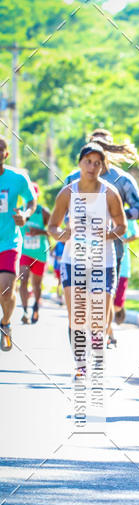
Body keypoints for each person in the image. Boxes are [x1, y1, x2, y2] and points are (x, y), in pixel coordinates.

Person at [48, 143, 126, 378]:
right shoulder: (68, 193)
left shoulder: (109, 193)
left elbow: (122, 225)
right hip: (75, 260)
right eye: (88, 162)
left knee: (100, 314)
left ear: (102, 166)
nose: (92, 166)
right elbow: (52, 225)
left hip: (104, 261)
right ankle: (81, 364)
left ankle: (98, 341)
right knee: (77, 315)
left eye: (97, 163)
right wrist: (63, 235)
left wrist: (108, 234)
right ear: (79, 163)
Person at [64, 128, 139, 341]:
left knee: (103, 297)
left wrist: (113, 215)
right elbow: (63, 214)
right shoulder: (72, 178)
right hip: (79, 250)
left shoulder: (122, 179)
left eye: (104, 146)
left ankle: (103, 333)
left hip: (112, 249)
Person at [0, 135, 36, 351]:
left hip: (9, 242)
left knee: (6, 289)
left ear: (5, 154)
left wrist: (26, 214)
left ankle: (5, 323)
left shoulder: (17, 178)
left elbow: (32, 200)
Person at [19, 183, 50, 324]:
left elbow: (53, 231)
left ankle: (36, 306)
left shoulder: (43, 212)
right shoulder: (18, 212)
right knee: (23, 279)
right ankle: (25, 311)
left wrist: (40, 231)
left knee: (36, 285)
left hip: (39, 254)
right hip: (24, 253)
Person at [112, 218, 139, 328]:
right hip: (106, 263)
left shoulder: (128, 216)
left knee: (117, 304)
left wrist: (124, 240)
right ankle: (108, 333)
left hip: (123, 266)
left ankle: (119, 307)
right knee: (105, 300)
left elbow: (136, 234)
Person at [51, 239, 65, 304]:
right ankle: (59, 295)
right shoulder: (58, 244)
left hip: (65, 266)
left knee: (63, 281)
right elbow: (51, 253)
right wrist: (57, 257)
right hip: (57, 266)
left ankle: (62, 295)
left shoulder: (67, 244)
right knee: (60, 281)